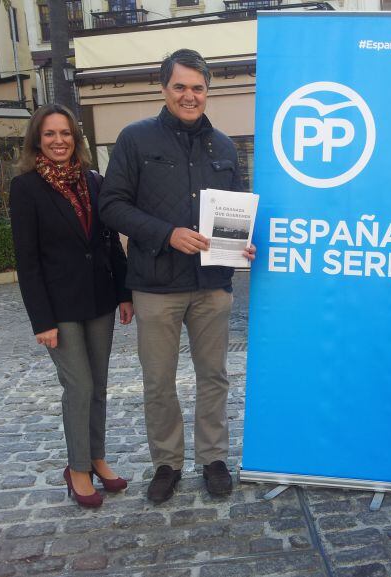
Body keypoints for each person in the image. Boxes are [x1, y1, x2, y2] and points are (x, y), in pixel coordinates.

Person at [99, 48, 255, 504]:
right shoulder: (134, 139)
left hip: (212, 285)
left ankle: (213, 459)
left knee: (214, 377)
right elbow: (111, 205)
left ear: (208, 91)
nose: (190, 96)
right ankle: (166, 464)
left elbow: (237, 208)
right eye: (180, 86)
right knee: (158, 381)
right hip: (155, 284)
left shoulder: (224, 146)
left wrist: (244, 242)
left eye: (198, 88)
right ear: (164, 88)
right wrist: (167, 234)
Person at [10, 103, 133, 509]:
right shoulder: (26, 188)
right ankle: (77, 468)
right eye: (50, 134)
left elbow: (110, 242)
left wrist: (124, 293)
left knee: (98, 385)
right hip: (58, 307)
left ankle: (97, 457)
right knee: (78, 385)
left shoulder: (93, 182)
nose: (58, 141)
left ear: (75, 139)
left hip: (100, 299)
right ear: (37, 140)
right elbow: (27, 260)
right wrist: (41, 320)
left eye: (65, 133)